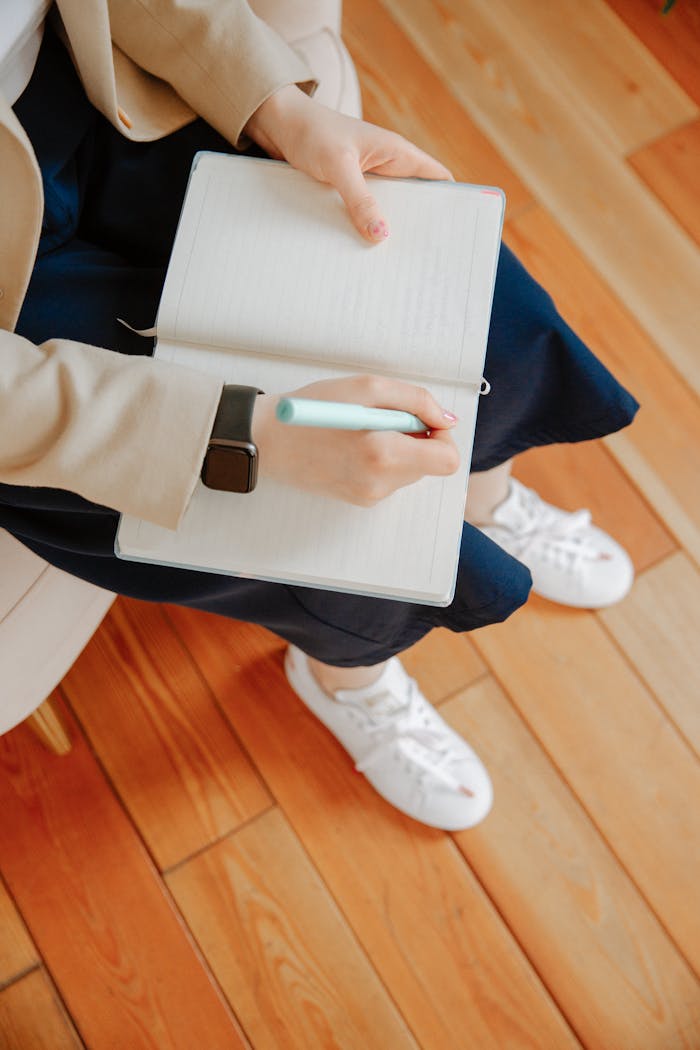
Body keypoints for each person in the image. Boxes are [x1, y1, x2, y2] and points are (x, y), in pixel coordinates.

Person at [0, 0, 638, 832]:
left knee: (467, 309)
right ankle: (348, 678)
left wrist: (274, 102)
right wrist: (236, 434)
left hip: (93, 94)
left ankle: (481, 494)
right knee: (315, 532)